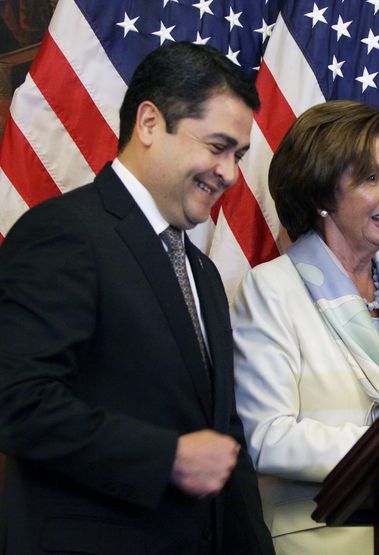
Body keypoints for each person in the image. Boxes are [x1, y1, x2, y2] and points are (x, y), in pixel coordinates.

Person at [0, 42, 274, 554]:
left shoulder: (205, 276)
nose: (230, 173)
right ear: (150, 123)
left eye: (238, 155)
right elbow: (17, 401)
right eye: (217, 147)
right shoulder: (64, 233)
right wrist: (164, 456)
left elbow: (224, 446)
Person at [232, 100, 379, 554]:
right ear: (319, 194)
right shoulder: (270, 289)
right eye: (372, 177)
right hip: (320, 539)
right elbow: (267, 437)